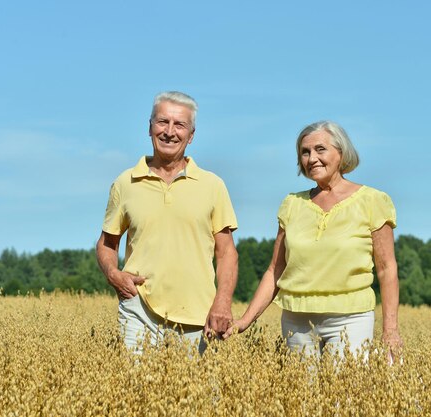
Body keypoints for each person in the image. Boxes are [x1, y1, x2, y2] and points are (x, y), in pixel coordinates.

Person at [224, 121, 402, 360]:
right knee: (302, 397)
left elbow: (386, 269)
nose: (311, 158)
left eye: (320, 149)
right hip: (296, 321)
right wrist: (245, 320)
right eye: (305, 152)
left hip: (350, 318)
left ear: (341, 153)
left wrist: (390, 330)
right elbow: (275, 270)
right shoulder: (292, 204)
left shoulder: (372, 201)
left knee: (345, 396)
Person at [96, 91, 238, 353]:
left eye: (179, 125)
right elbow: (107, 243)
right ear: (149, 128)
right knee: (135, 392)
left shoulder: (213, 185)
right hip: (139, 309)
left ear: (191, 135)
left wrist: (222, 302)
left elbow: (227, 252)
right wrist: (114, 275)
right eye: (162, 122)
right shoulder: (125, 183)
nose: (169, 132)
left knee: (199, 394)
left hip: (199, 315)